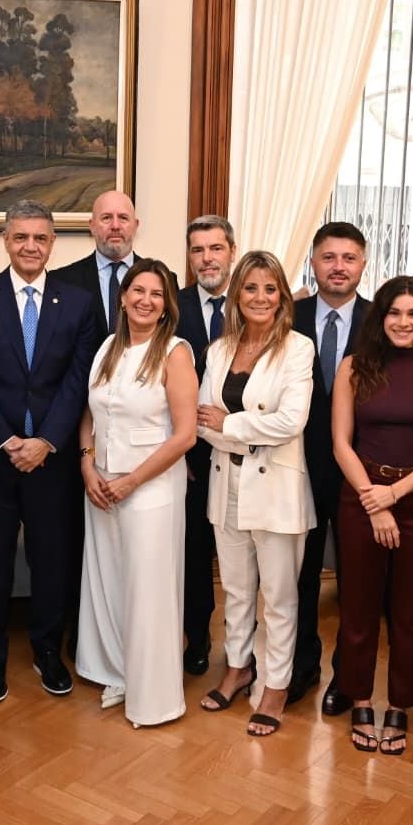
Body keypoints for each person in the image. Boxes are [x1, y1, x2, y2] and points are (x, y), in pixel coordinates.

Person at [0, 200, 96, 703]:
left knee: (51, 561)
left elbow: (78, 379)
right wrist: (6, 438)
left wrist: (46, 441)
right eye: (21, 237)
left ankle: (47, 652)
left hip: (52, 460)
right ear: (6, 240)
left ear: (53, 242)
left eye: (40, 238)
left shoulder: (78, 303)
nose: (31, 247)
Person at [332, 276, 413, 756]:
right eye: (393, 313)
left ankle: (401, 704)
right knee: (359, 607)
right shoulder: (353, 368)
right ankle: (360, 696)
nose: (403, 322)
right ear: (379, 317)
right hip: (360, 495)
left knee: (412, 612)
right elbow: (341, 442)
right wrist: (373, 497)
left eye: (412, 314)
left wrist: (395, 495)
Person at [196, 250, 315, 737]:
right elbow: (203, 423)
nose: (260, 298)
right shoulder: (219, 350)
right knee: (238, 591)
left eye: (270, 289)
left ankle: (276, 684)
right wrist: (237, 429)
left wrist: (232, 424)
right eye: (250, 288)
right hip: (227, 482)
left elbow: (292, 422)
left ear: (282, 296)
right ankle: (238, 667)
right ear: (236, 294)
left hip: (277, 489)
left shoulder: (298, 348)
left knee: (279, 597)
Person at [76, 259, 198, 726]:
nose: (145, 300)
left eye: (156, 293)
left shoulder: (175, 352)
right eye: (138, 291)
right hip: (103, 484)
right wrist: (87, 463)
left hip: (150, 490)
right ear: (123, 297)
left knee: (149, 589)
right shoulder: (108, 346)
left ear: (167, 305)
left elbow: (185, 435)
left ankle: (154, 696)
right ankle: (117, 671)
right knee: (110, 581)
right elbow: (91, 412)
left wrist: (131, 480)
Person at [290, 222, 371, 714]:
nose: (338, 266)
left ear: (363, 264)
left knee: (357, 582)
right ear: (314, 263)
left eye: (348, 257)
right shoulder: (286, 314)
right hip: (294, 467)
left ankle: (350, 678)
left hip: (361, 470)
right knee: (297, 575)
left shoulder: (384, 319)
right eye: (328, 257)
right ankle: (300, 668)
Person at [175, 215, 236, 675]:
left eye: (215, 248)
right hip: (191, 459)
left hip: (248, 456)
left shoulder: (258, 304)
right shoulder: (170, 306)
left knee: (242, 561)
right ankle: (198, 638)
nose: (207, 258)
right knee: (194, 556)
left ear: (231, 251)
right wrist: (181, 453)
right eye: (198, 250)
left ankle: (244, 652)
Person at [53, 189, 145, 336]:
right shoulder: (62, 281)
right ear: (92, 226)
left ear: (135, 226)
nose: (115, 226)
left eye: (123, 218)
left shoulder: (162, 279)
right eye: (106, 218)